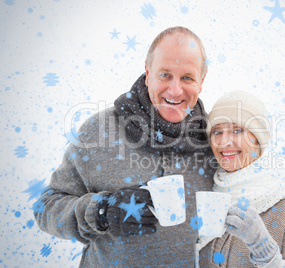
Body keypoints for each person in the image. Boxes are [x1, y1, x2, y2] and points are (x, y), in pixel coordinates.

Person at [34, 26, 217, 267]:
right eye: (164, 75)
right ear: (148, 71)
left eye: (187, 77)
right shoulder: (99, 131)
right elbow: (45, 209)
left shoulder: (215, 140)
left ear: (201, 81)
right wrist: (102, 211)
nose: (175, 90)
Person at [198, 91, 285, 267]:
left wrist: (263, 249)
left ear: (258, 139)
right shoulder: (207, 190)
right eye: (217, 132)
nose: (225, 142)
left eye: (237, 130)